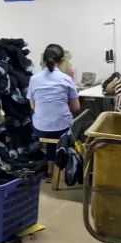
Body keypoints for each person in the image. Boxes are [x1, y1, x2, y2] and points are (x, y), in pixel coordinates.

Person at [27, 44, 80, 180]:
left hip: (40, 129)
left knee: (51, 125)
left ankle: (49, 167)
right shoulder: (66, 79)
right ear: (62, 60)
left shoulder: (34, 79)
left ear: (43, 59)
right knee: (68, 126)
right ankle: (69, 165)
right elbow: (76, 108)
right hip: (61, 129)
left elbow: (33, 106)